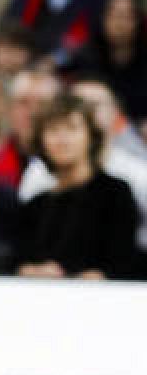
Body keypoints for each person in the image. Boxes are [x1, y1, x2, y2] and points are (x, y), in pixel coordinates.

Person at [13, 95, 140, 279]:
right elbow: (17, 261)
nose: (62, 139)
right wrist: (31, 271)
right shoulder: (36, 204)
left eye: (72, 128)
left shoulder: (116, 193)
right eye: (53, 130)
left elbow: (124, 261)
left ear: (91, 136)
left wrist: (96, 277)